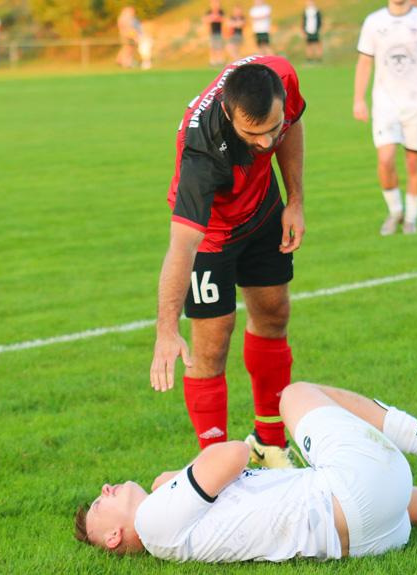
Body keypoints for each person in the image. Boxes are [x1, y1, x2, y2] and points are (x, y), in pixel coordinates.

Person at [74, 381, 417, 561]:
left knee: (390, 493)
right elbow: (231, 456)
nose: (106, 487)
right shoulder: (153, 519)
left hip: (371, 535)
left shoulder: (169, 530)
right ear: (115, 536)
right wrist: (179, 472)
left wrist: (273, 463)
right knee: (294, 396)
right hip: (354, 498)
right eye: (102, 502)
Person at [150, 56, 306, 469]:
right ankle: (215, 467)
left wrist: (295, 201)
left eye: (271, 129)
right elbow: (182, 245)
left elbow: (289, 126)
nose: (266, 143)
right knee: (211, 344)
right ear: (228, 114)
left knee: (274, 314)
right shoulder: (201, 154)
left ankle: (269, 442)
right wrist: (167, 330)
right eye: (253, 135)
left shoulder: (280, 76)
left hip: (263, 210)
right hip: (212, 235)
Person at [353, 0, 417, 236]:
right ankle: (395, 212)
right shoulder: (374, 21)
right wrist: (358, 98)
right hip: (384, 104)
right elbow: (365, 62)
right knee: (385, 160)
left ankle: (411, 219)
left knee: (413, 162)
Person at [203, 0, 226, 66]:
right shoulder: (209, 12)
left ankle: (220, 61)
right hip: (212, 33)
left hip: (219, 32)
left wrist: (214, 18)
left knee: (220, 47)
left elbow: (222, 19)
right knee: (212, 48)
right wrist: (214, 18)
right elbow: (206, 20)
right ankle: (213, 61)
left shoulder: (221, 12)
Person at [303, 0, 322, 64]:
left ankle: (319, 60)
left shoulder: (316, 11)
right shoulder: (306, 11)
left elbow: (319, 21)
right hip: (308, 31)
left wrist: (318, 29)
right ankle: (309, 60)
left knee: (317, 45)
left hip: (315, 30)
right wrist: (304, 30)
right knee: (309, 46)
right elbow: (304, 21)